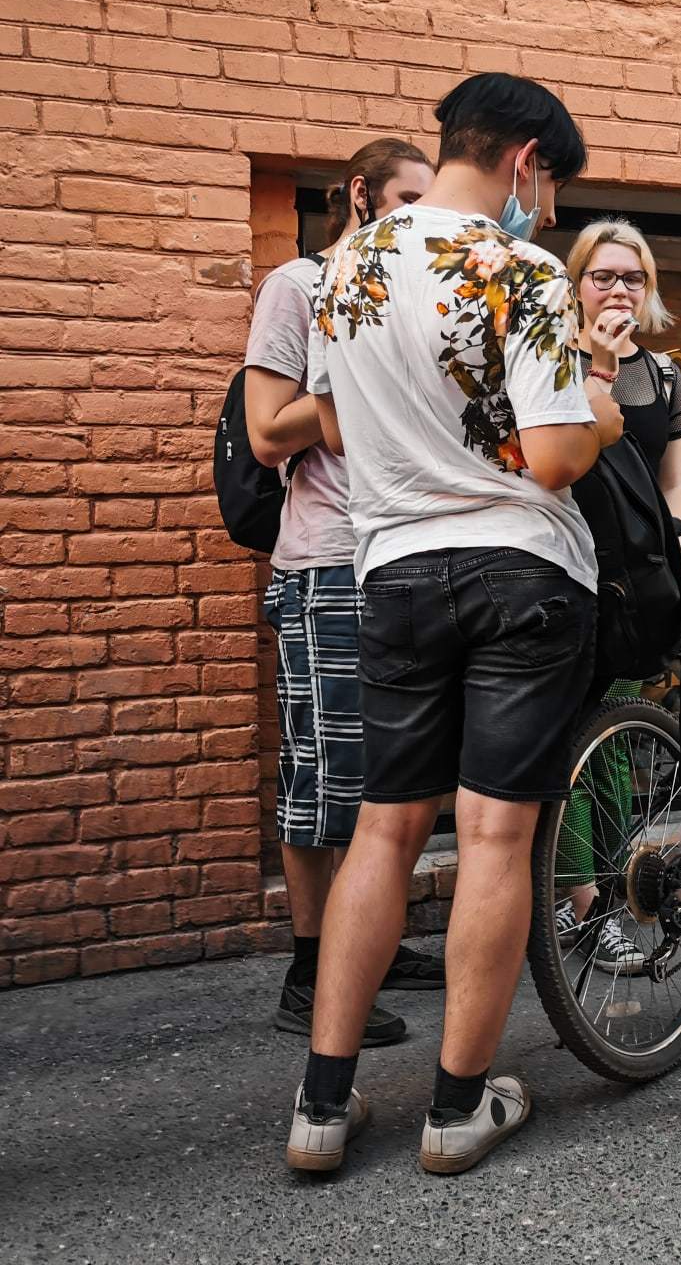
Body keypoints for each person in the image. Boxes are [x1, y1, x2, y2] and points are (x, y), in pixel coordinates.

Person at [284, 73, 623, 1176]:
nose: (552, 212)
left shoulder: (345, 268)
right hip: (517, 567)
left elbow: (333, 418)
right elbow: (560, 453)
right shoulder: (516, 271)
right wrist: (604, 411)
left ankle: (321, 1111)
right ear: (525, 158)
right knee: (493, 835)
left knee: (384, 825)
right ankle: (453, 1110)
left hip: (389, 569)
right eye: (554, 183)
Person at [244, 138, 441, 1048]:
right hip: (325, 560)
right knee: (326, 782)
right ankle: (307, 971)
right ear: (359, 195)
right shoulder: (296, 286)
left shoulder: (409, 291)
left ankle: (376, 943)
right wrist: (361, 391)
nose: (414, 220)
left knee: (395, 777)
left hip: (401, 555)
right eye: (402, 200)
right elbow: (264, 432)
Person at [553, 218, 681, 975]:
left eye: (632, 278)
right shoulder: (551, 360)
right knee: (572, 747)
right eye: (603, 276)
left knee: (615, 748)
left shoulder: (664, 375)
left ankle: (603, 894)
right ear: (576, 285)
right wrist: (596, 362)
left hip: (635, 583)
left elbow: (672, 479)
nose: (618, 289)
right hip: (564, 571)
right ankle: (583, 907)